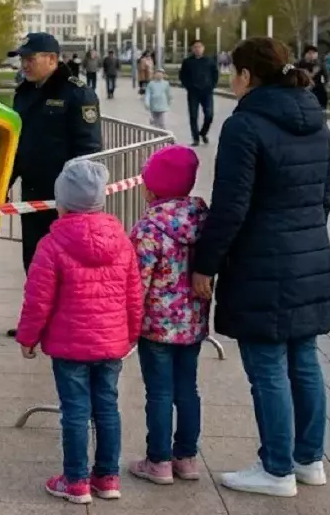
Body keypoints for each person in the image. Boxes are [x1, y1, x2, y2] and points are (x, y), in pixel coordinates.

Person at [192, 37, 330, 497]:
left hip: (261, 259)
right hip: (309, 254)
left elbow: (230, 207)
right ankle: (308, 460)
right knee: (304, 360)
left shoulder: (245, 125)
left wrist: (205, 265)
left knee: (269, 365)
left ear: (247, 76)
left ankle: (276, 468)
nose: (231, 79)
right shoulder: (318, 122)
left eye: (233, 71)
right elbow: (324, 197)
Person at [16, 159, 143, 505]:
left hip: (69, 346)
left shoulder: (51, 245)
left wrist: (28, 337)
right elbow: (134, 293)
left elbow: (37, 299)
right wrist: (132, 332)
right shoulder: (122, 241)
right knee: (107, 408)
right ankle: (108, 477)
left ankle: (75, 481)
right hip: (111, 344)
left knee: (74, 411)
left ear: (62, 203)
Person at [6, 32, 103, 336]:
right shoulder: (24, 92)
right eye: (22, 59)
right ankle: (39, 319)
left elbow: (88, 150)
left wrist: (76, 198)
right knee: (34, 257)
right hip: (33, 192)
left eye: (30, 58)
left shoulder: (77, 94)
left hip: (65, 198)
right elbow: (18, 145)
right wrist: (4, 182)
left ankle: (67, 321)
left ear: (52, 59)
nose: (24, 64)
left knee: (66, 262)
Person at [127, 146, 210, 486]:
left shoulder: (149, 228)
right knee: (187, 389)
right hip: (193, 324)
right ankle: (186, 458)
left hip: (156, 326)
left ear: (153, 188)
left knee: (159, 393)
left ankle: (158, 461)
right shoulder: (203, 219)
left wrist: (129, 322)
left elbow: (137, 281)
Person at [178, 40, 218, 147]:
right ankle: (195, 138)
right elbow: (182, 76)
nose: (197, 49)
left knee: (209, 115)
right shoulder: (187, 62)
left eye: (199, 47)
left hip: (207, 92)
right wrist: (188, 86)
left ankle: (203, 133)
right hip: (193, 92)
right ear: (192, 49)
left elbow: (215, 74)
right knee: (193, 116)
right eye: (195, 47)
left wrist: (212, 85)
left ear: (203, 48)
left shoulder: (209, 61)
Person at [298, 45, 329, 110]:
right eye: (309, 53)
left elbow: (326, 76)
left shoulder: (320, 64)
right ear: (305, 54)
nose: (312, 55)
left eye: (314, 53)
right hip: (302, 90)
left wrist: (325, 85)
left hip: (318, 91)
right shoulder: (299, 64)